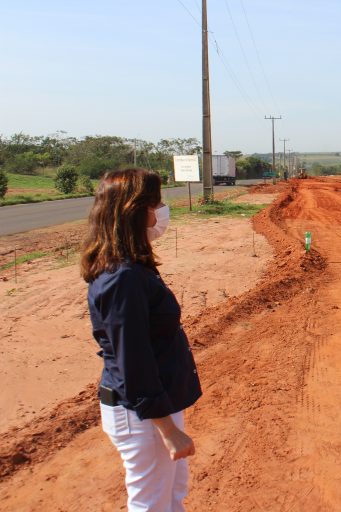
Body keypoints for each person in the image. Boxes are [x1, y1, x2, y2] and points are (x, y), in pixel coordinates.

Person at [81, 168, 202, 511]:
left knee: (173, 494)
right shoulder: (123, 278)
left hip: (154, 406)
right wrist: (167, 430)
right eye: (156, 203)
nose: (161, 211)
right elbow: (132, 361)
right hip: (141, 414)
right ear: (137, 210)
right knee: (151, 503)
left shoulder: (131, 268)